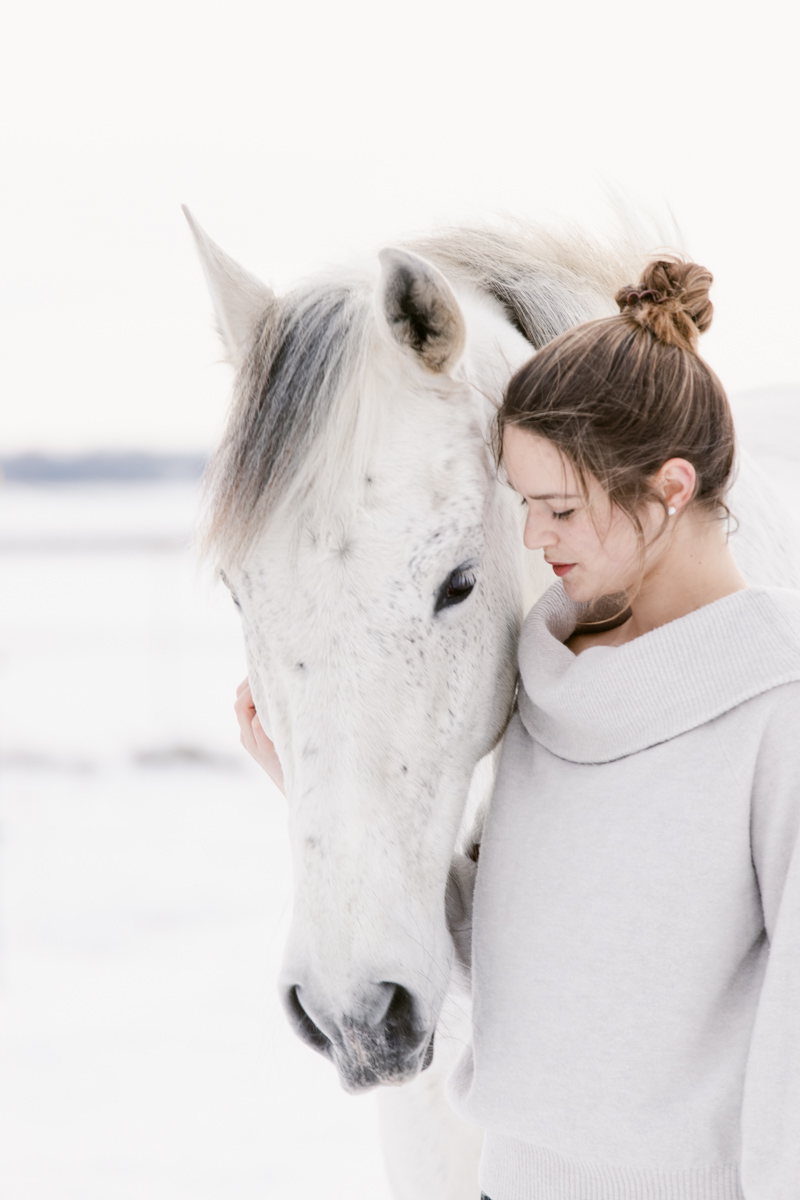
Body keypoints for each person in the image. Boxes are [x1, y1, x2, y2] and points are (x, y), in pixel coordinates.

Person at [235, 259, 800, 1198]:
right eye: (522, 506)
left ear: (668, 491)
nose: (533, 540)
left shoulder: (773, 717)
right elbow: (532, 961)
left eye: (560, 509)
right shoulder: (548, 690)